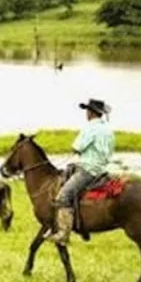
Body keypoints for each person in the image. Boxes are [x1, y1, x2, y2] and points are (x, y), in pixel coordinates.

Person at [45, 98, 115, 245]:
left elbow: (77, 147)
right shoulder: (108, 129)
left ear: (91, 112)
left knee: (63, 196)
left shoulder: (90, 128)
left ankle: (63, 234)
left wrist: (77, 149)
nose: (86, 113)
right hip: (101, 169)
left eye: (87, 111)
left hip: (88, 170)